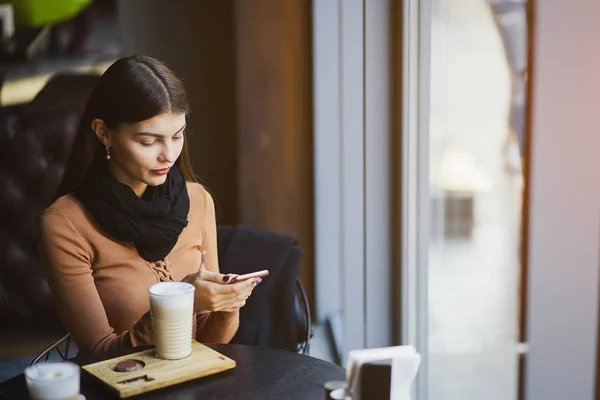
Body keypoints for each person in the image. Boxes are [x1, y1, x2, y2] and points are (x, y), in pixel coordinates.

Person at [36, 55, 259, 355]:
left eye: (177, 136)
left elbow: (210, 342)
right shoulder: (65, 224)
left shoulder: (198, 200)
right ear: (104, 132)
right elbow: (98, 354)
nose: (169, 155)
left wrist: (226, 304)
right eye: (148, 141)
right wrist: (184, 302)